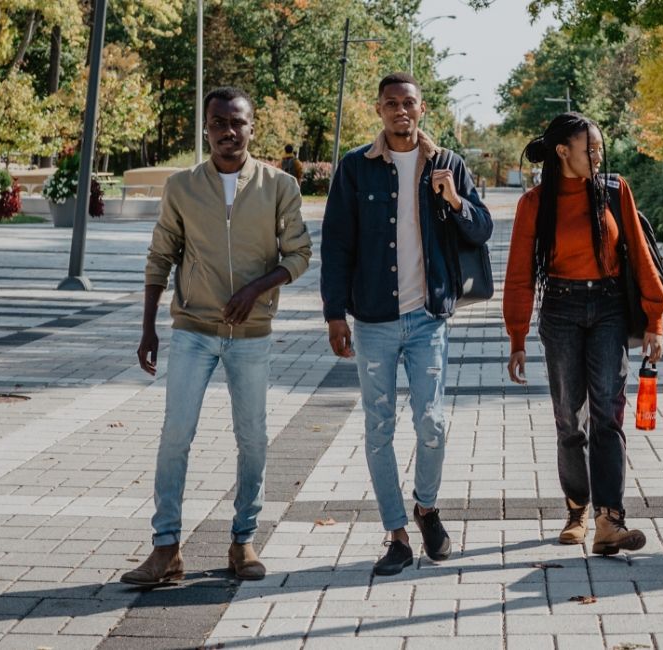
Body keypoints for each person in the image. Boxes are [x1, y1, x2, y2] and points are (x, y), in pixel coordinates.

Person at [126, 86, 312, 585]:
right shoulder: (182, 186)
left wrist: (258, 287)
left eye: (238, 122)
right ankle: (166, 548)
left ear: (253, 127)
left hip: (251, 335)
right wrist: (148, 327)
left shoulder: (279, 186)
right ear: (205, 127)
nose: (228, 132)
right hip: (192, 330)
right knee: (175, 437)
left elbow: (298, 254)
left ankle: (243, 541)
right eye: (218, 123)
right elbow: (160, 255)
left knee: (252, 438)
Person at [320, 72, 492, 576]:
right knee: (379, 428)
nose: (400, 111)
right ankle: (396, 533)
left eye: (408, 103)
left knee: (432, 422)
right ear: (378, 110)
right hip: (372, 319)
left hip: (427, 319)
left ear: (422, 108)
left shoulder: (447, 165)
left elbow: (481, 229)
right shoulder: (355, 168)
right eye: (391, 103)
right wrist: (335, 313)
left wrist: (454, 199)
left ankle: (426, 507)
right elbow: (336, 245)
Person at [503, 112, 663, 555]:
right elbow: (519, 275)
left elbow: (641, 258)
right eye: (588, 149)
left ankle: (609, 520)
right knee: (568, 418)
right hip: (560, 310)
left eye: (599, 148)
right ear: (563, 152)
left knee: (608, 416)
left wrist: (656, 319)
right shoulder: (535, 204)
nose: (597, 156)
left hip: (610, 308)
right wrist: (516, 337)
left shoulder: (615, 190)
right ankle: (577, 508)